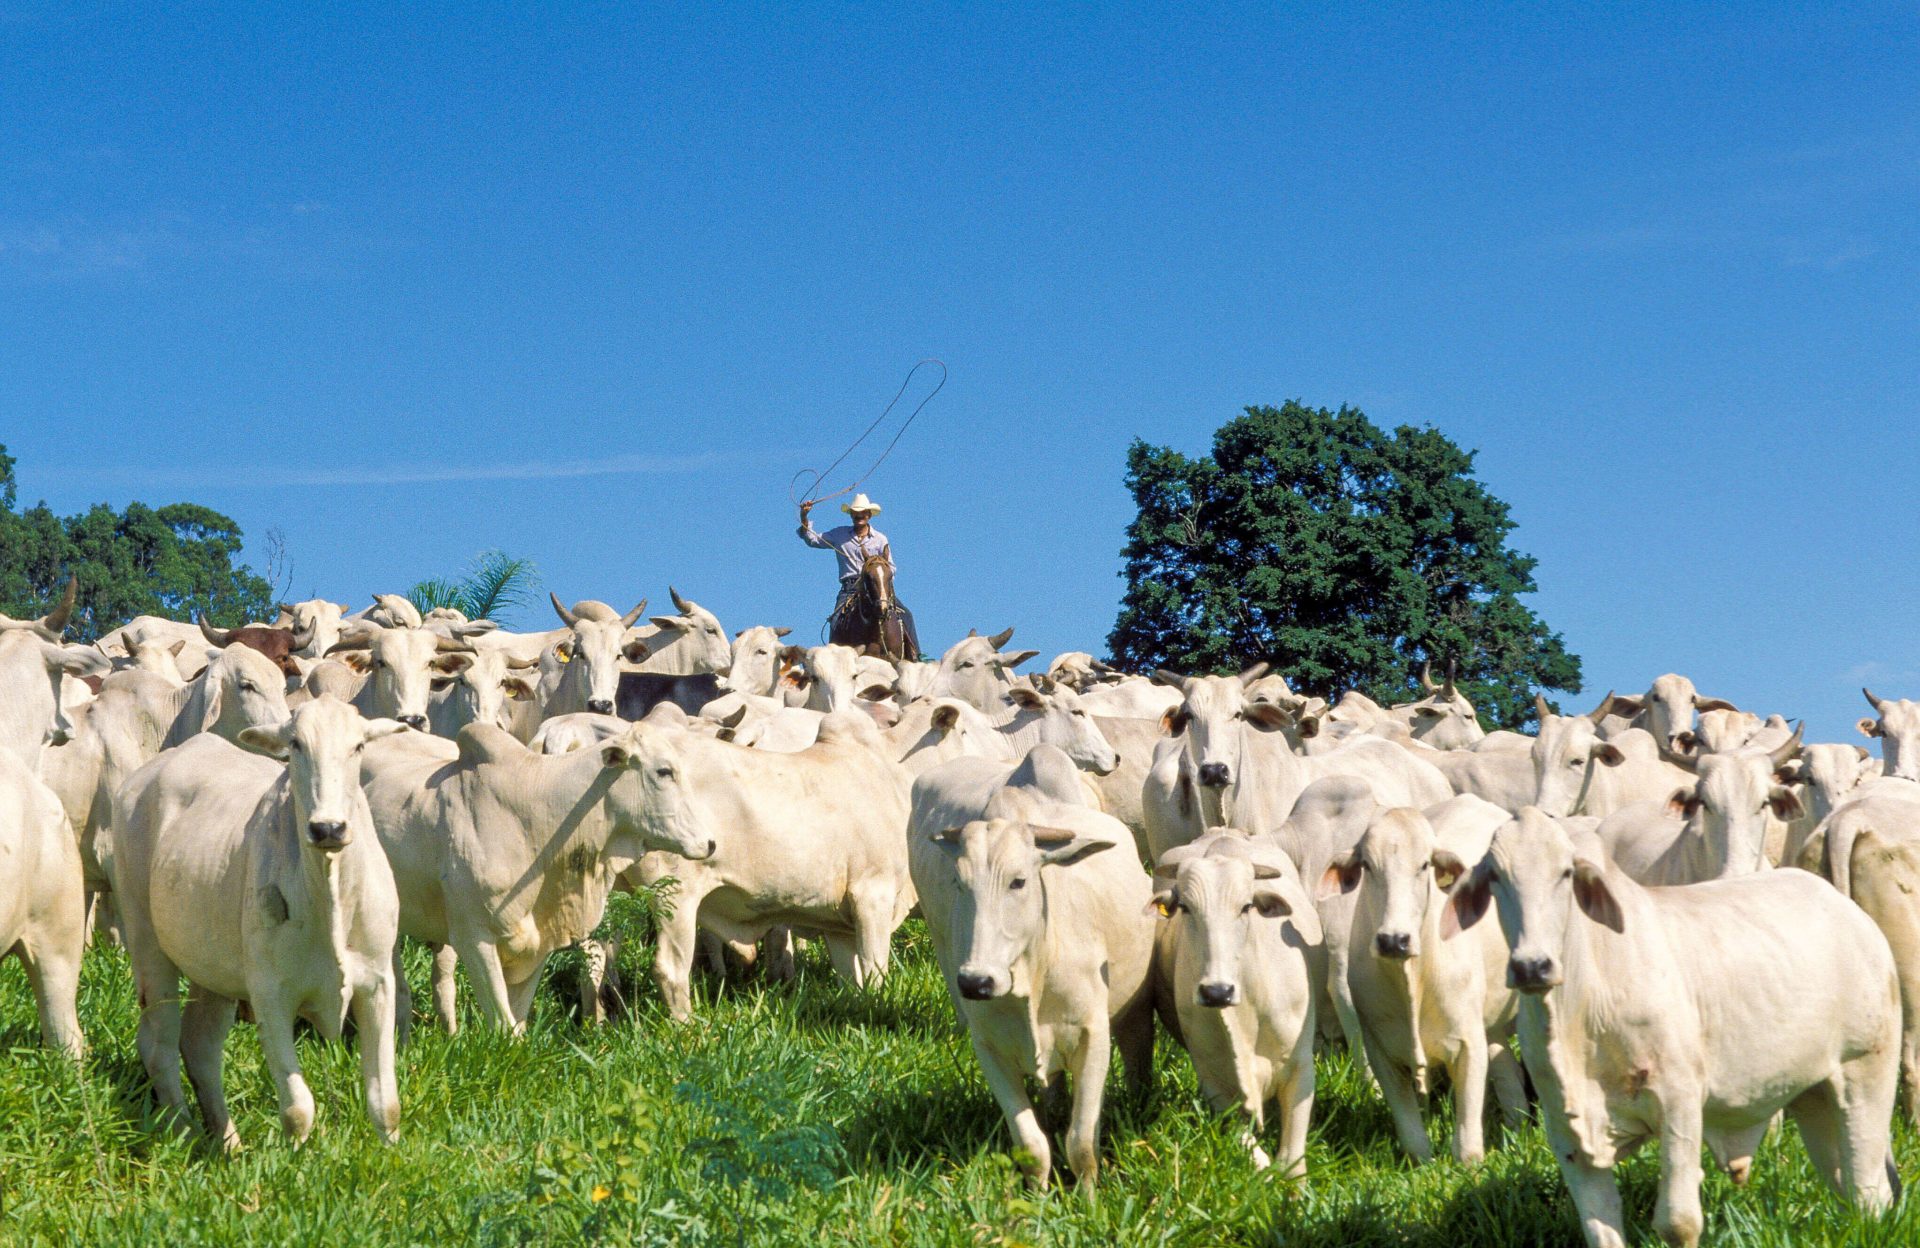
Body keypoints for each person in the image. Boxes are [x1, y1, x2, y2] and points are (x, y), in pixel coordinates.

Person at [797, 492, 894, 624]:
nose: (859, 515)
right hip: (849, 588)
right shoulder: (839, 534)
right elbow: (812, 539)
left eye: (863, 512)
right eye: (855, 512)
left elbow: (891, 567)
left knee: (906, 617)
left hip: (876, 589)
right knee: (836, 622)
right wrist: (804, 516)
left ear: (869, 515)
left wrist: (881, 582)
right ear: (851, 515)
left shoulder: (880, 539)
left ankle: (911, 645)